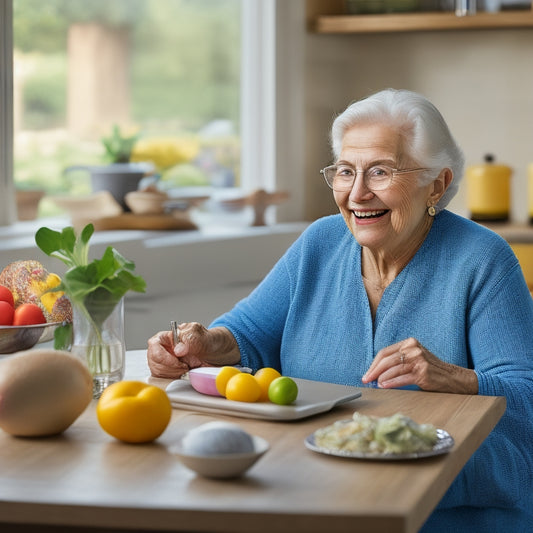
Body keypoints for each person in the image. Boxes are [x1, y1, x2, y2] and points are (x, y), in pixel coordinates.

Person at [147, 88, 533, 531]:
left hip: (443, 510)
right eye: (346, 171)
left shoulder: (483, 259)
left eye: (381, 172)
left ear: (438, 184)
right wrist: (204, 343)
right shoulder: (321, 242)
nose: (357, 193)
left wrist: (453, 376)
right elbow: (249, 332)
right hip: (314, 494)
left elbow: (526, 396)